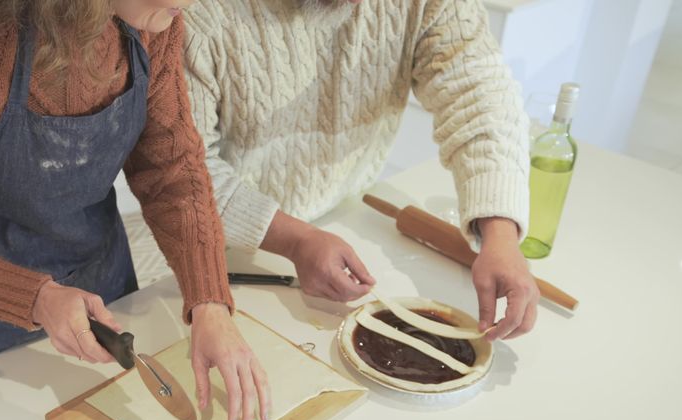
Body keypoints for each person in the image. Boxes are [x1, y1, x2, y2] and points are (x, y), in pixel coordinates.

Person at [0, 0, 269, 420]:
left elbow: (172, 170)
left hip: (103, 276)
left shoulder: (150, 21)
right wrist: (36, 298)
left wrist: (209, 301)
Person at [184, 0, 540, 340]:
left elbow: (478, 95)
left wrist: (501, 235)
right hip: (221, 245)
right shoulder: (196, 14)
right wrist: (295, 239)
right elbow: (183, 171)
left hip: (350, 217)